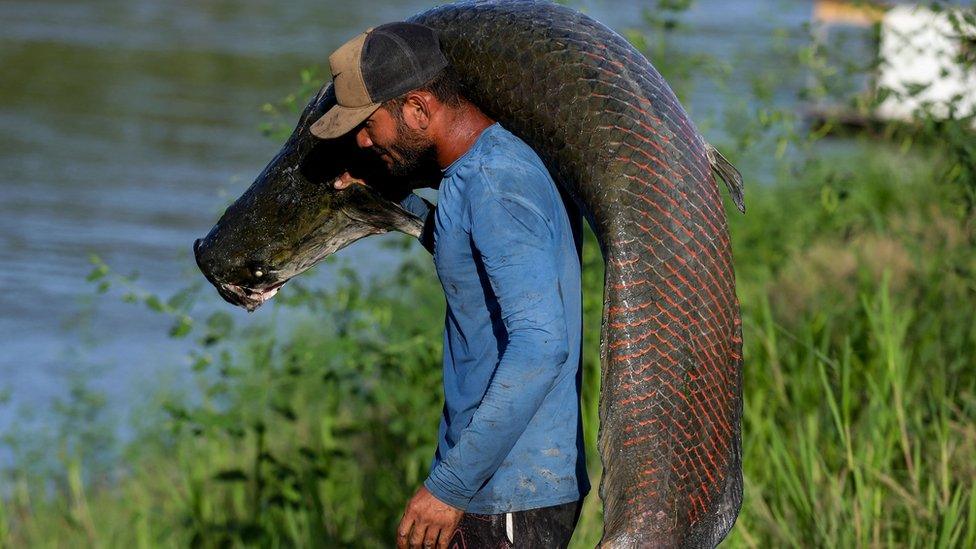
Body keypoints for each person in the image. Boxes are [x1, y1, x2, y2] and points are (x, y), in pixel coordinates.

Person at [310, 22, 589, 549]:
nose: (363, 140)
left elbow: (540, 344)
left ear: (417, 109)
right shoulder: (473, 171)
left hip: (510, 489)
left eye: (368, 125)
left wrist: (450, 487)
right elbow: (468, 255)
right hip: (497, 482)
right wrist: (395, 198)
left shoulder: (496, 184)